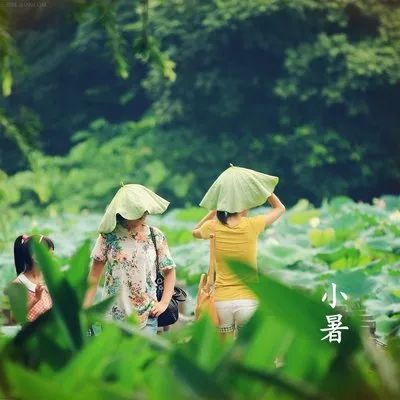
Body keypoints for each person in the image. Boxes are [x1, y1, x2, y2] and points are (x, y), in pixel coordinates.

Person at [84, 184, 176, 335]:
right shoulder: (108, 236)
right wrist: (86, 310)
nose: (142, 216)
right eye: (137, 214)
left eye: (143, 213)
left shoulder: (156, 236)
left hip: (147, 314)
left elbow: (170, 271)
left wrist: (164, 303)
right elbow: (94, 276)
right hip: (113, 314)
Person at [192, 193, 285, 337]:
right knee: (246, 348)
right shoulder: (252, 224)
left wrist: (215, 210)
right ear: (243, 206)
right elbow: (280, 208)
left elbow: (194, 232)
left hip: (221, 301)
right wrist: (266, 191)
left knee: (223, 348)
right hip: (247, 301)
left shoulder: (212, 227)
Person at [9, 234, 54, 323]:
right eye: (49, 255)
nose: (52, 259)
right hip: (33, 331)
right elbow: (14, 319)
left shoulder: (48, 277)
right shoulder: (19, 283)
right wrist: (36, 299)